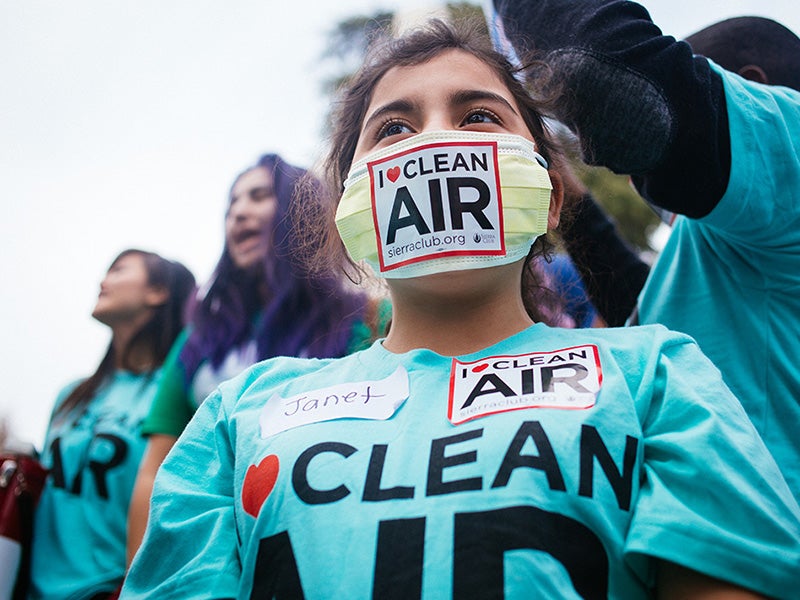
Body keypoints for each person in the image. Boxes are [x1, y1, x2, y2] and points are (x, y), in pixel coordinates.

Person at [121, 18, 800, 599]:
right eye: (392, 129)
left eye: (479, 115)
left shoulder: (661, 377)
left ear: (551, 194)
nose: (434, 143)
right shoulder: (236, 416)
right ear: (348, 205)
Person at [491, 3, 800, 501]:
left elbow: (611, 82)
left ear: (749, 88)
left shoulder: (791, 138)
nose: (638, 175)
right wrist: (570, 198)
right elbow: (658, 321)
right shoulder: (745, 244)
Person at [126, 154, 390, 564]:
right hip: (206, 571)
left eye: (258, 196)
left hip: (333, 557)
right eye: (232, 203)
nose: (239, 212)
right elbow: (154, 474)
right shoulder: (197, 345)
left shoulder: (373, 321)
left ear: (302, 211)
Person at [29, 249, 195, 599]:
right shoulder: (70, 395)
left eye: (119, 270)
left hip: (114, 590)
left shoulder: (177, 398)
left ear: (159, 291)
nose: (103, 281)